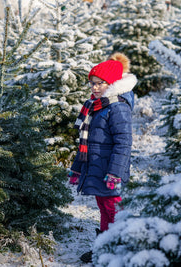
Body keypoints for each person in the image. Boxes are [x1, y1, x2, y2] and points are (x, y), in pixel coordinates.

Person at [69, 52, 137, 263]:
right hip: (97, 168)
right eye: (92, 84)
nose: (95, 88)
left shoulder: (117, 108)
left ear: (113, 83)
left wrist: (115, 173)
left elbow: (123, 143)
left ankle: (119, 250)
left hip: (109, 171)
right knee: (104, 209)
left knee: (114, 209)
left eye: (100, 83)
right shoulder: (96, 106)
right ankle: (104, 247)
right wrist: (77, 168)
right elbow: (86, 142)